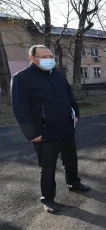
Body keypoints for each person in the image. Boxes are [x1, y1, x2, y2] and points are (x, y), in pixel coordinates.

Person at [11, 45, 90, 214]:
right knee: (47, 168)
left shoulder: (58, 75)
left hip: (67, 128)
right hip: (45, 133)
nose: (49, 59)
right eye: (44, 56)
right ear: (32, 58)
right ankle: (48, 198)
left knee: (71, 160)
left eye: (50, 55)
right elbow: (20, 109)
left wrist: (76, 113)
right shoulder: (22, 78)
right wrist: (32, 133)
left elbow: (69, 96)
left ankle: (74, 182)